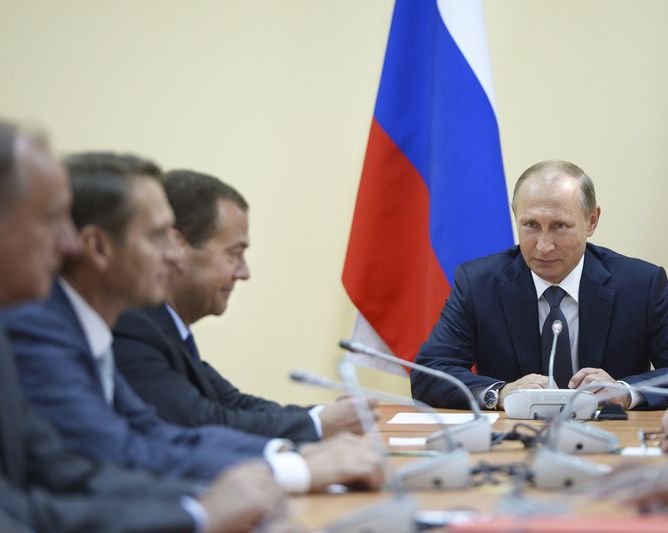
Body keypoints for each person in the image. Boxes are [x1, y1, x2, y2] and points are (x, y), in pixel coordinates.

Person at [0, 151, 384, 494]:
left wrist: (293, 455)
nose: (173, 256)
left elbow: (154, 433)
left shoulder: (89, 326)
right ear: (98, 247)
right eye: (157, 237)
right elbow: (121, 454)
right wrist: (293, 466)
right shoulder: (41, 327)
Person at [0, 120, 283, 532]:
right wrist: (203, 513)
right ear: (100, 247)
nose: (67, 243)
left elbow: (73, 470)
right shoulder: (36, 327)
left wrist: (233, 495)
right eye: (50, 219)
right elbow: (108, 457)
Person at [411, 160, 668, 410]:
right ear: (515, 217)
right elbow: (430, 375)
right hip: (513, 444)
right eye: (531, 225)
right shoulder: (479, 283)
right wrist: (500, 393)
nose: (543, 246)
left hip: (611, 448)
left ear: (592, 221)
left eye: (559, 226)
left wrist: (626, 392)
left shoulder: (639, 285)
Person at [112, 169, 376, 443]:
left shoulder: (167, 328)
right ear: (178, 247)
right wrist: (319, 425)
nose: (244, 273)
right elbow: (201, 422)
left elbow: (234, 405)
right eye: (234, 254)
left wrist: (325, 416)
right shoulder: (134, 326)